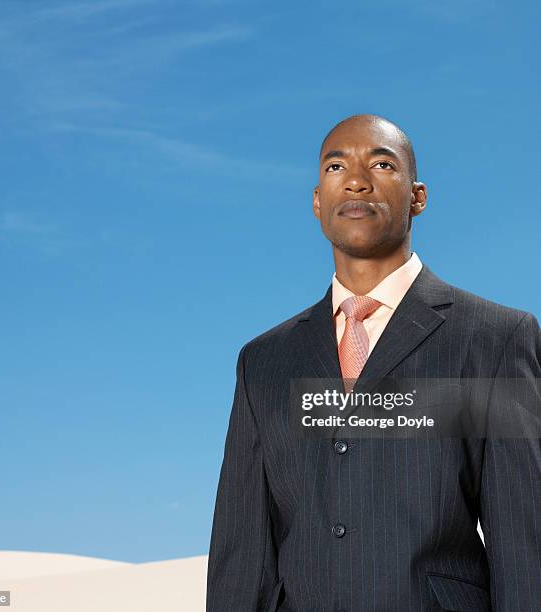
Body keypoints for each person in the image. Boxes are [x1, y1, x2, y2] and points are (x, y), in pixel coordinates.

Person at [206, 114, 541, 611]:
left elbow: (524, 541)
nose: (357, 179)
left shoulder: (496, 339)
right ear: (318, 202)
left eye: (382, 164)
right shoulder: (263, 361)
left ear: (417, 197)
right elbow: (242, 551)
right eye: (336, 166)